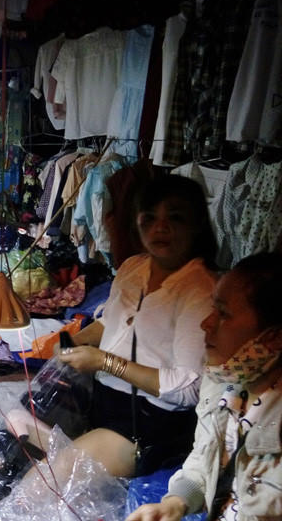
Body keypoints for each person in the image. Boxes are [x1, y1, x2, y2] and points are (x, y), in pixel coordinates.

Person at [47, 175, 218, 477]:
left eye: (175, 218)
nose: (160, 228)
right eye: (149, 218)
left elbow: (189, 389)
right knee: (20, 433)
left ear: (196, 225)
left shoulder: (201, 290)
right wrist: (75, 341)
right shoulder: (133, 267)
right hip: (103, 401)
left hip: (151, 421)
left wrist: (104, 361)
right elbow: (112, 322)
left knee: (50, 478)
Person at [127, 252, 282, 521]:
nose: (205, 323)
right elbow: (205, 460)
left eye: (223, 314)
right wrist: (175, 503)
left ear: (274, 337)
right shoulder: (222, 384)